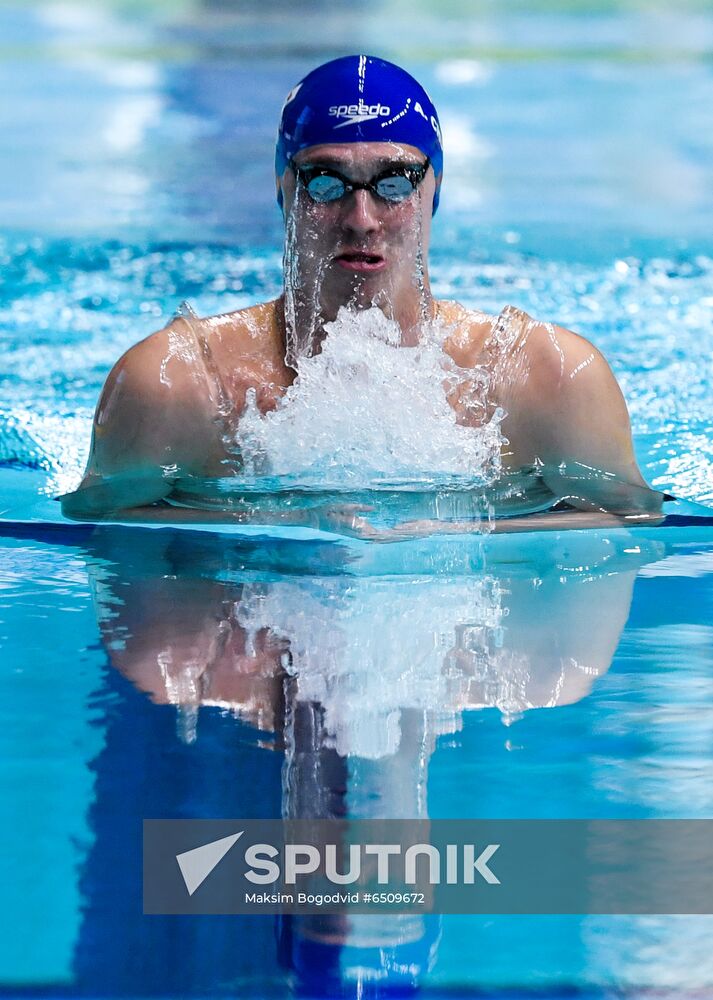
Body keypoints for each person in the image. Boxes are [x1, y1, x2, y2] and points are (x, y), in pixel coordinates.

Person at [60, 54, 663, 528]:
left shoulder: (548, 379)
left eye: (394, 183)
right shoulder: (176, 385)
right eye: (325, 182)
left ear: (435, 189)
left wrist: (448, 529)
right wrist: (287, 524)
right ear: (281, 187)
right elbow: (107, 539)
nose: (361, 218)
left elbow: (628, 524)